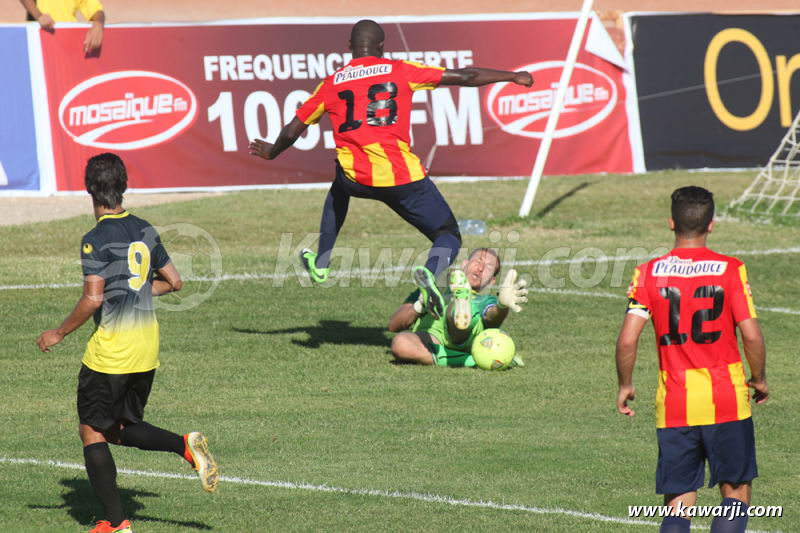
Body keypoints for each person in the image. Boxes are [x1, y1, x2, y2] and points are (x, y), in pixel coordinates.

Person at [249, 19, 533, 318]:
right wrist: (513, 76)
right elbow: (465, 76)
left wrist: (271, 152)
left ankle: (322, 263)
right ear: (382, 46)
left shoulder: (331, 83)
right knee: (448, 235)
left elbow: (294, 130)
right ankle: (428, 273)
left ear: (349, 47)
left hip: (356, 179)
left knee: (339, 182)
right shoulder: (400, 70)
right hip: (402, 179)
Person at [35, 153, 218, 533]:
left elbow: (93, 299)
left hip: (112, 354)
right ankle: (185, 446)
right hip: (146, 350)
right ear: (123, 186)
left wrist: (59, 332)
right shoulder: (145, 228)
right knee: (119, 427)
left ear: (90, 189)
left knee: (91, 429)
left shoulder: (95, 239)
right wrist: (136, 290)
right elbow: (174, 281)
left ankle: (116, 524)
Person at [615, 186, 769, 533]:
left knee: (679, 498)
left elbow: (627, 338)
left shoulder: (647, 273)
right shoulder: (731, 270)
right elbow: (752, 334)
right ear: (711, 225)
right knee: (735, 491)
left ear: (671, 223)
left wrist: (625, 384)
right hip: (727, 399)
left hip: (675, 403)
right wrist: (758, 378)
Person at [388, 248, 528, 367]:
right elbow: (394, 325)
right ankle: (470, 360)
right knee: (400, 344)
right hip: (431, 338)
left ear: (492, 281)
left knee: (455, 311)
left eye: (488, 267)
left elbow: (492, 315)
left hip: (463, 336)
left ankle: (461, 304)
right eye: (478, 260)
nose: (480, 268)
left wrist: (501, 306)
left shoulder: (486, 300)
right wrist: (420, 306)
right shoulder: (431, 288)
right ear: (464, 264)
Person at [20, 0, 105, 53]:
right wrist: (38, 15)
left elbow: (96, 11)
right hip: (41, 41)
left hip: (68, 43)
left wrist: (98, 23)